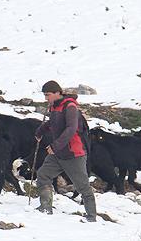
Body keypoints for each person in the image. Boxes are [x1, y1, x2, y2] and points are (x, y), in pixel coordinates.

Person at [34, 80, 97, 222]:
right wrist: (40, 130)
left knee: (83, 187)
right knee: (43, 175)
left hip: (73, 154)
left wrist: (55, 146)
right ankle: (45, 208)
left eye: (48, 95)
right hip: (59, 153)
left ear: (57, 93)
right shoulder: (55, 107)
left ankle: (91, 217)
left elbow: (71, 129)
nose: (46, 98)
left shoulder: (70, 107)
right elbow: (53, 123)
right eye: (45, 95)